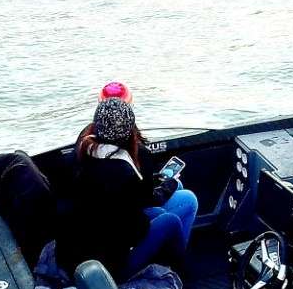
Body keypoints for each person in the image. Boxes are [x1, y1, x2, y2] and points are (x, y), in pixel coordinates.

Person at [57, 96, 196, 279]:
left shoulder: (75, 158)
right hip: (108, 270)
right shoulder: (124, 174)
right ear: (130, 131)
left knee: (161, 213)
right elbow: (135, 232)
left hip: (73, 257)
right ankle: (178, 274)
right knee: (171, 219)